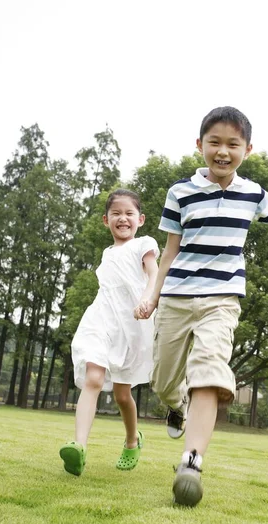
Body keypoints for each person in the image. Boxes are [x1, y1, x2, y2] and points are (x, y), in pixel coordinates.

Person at [137, 106, 268, 507]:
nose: (223, 151)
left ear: (248, 148)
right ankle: (176, 407)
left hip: (222, 298)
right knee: (163, 381)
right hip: (177, 296)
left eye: (233, 144)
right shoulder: (180, 193)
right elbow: (170, 251)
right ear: (200, 145)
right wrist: (153, 294)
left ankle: (191, 461)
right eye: (215, 142)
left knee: (209, 368)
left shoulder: (253, 194)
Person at [59, 189, 159, 476]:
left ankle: (131, 440)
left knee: (122, 395)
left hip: (132, 325)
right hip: (101, 318)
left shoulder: (144, 244)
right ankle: (79, 446)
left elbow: (153, 273)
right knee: (93, 376)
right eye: (116, 214)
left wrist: (147, 300)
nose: (123, 219)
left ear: (140, 219)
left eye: (129, 214)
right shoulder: (107, 253)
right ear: (106, 220)